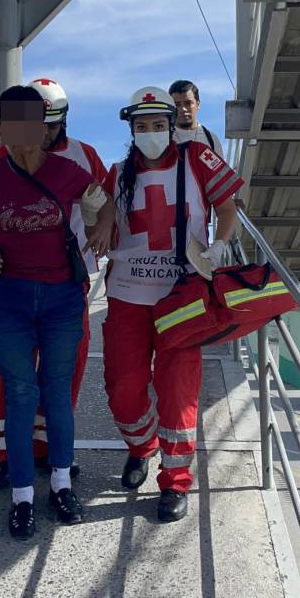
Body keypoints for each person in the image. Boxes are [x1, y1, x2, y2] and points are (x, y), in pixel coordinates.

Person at [0, 85, 113, 539]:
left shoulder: (69, 169)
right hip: (7, 298)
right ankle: (22, 496)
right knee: (20, 393)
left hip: (61, 298)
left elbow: (105, 202)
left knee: (55, 390)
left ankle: (62, 484)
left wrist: (99, 232)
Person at [102, 86, 243, 523]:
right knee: (123, 390)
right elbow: (102, 219)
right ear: (130, 130)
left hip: (182, 297)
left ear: (170, 125)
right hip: (127, 294)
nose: (150, 133)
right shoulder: (118, 172)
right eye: (141, 127)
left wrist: (220, 245)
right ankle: (142, 447)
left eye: (158, 125)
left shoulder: (198, 159)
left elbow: (229, 207)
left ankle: (175, 480)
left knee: (178, 392)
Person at [169, 79, 223, 154]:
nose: (183, 109)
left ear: (198, 104)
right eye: (177, 105)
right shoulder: (164, 138)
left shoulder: (211, 140)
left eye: (188, 103)